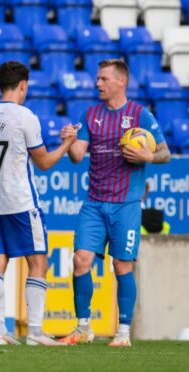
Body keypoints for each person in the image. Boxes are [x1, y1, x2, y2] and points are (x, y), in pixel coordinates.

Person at [58, 59, 171, 347]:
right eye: (97, 79)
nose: (98, 83)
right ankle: (83, 327)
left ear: (122, 81)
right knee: (80, 260)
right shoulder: (91, 114)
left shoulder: (140, 115)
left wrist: (148, 157)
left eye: (103, 79)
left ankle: (123, 332)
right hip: (94, 204)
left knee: (122, 265)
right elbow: (76, 156)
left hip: (126, 205)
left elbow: (165, 153)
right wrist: (69, 141)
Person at [0, 61, 76, 346]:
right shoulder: (24, 116)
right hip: (20, 201)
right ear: (23, 86)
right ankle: (35, 332)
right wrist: (66, 144)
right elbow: (43, 163)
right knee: (38, 261)